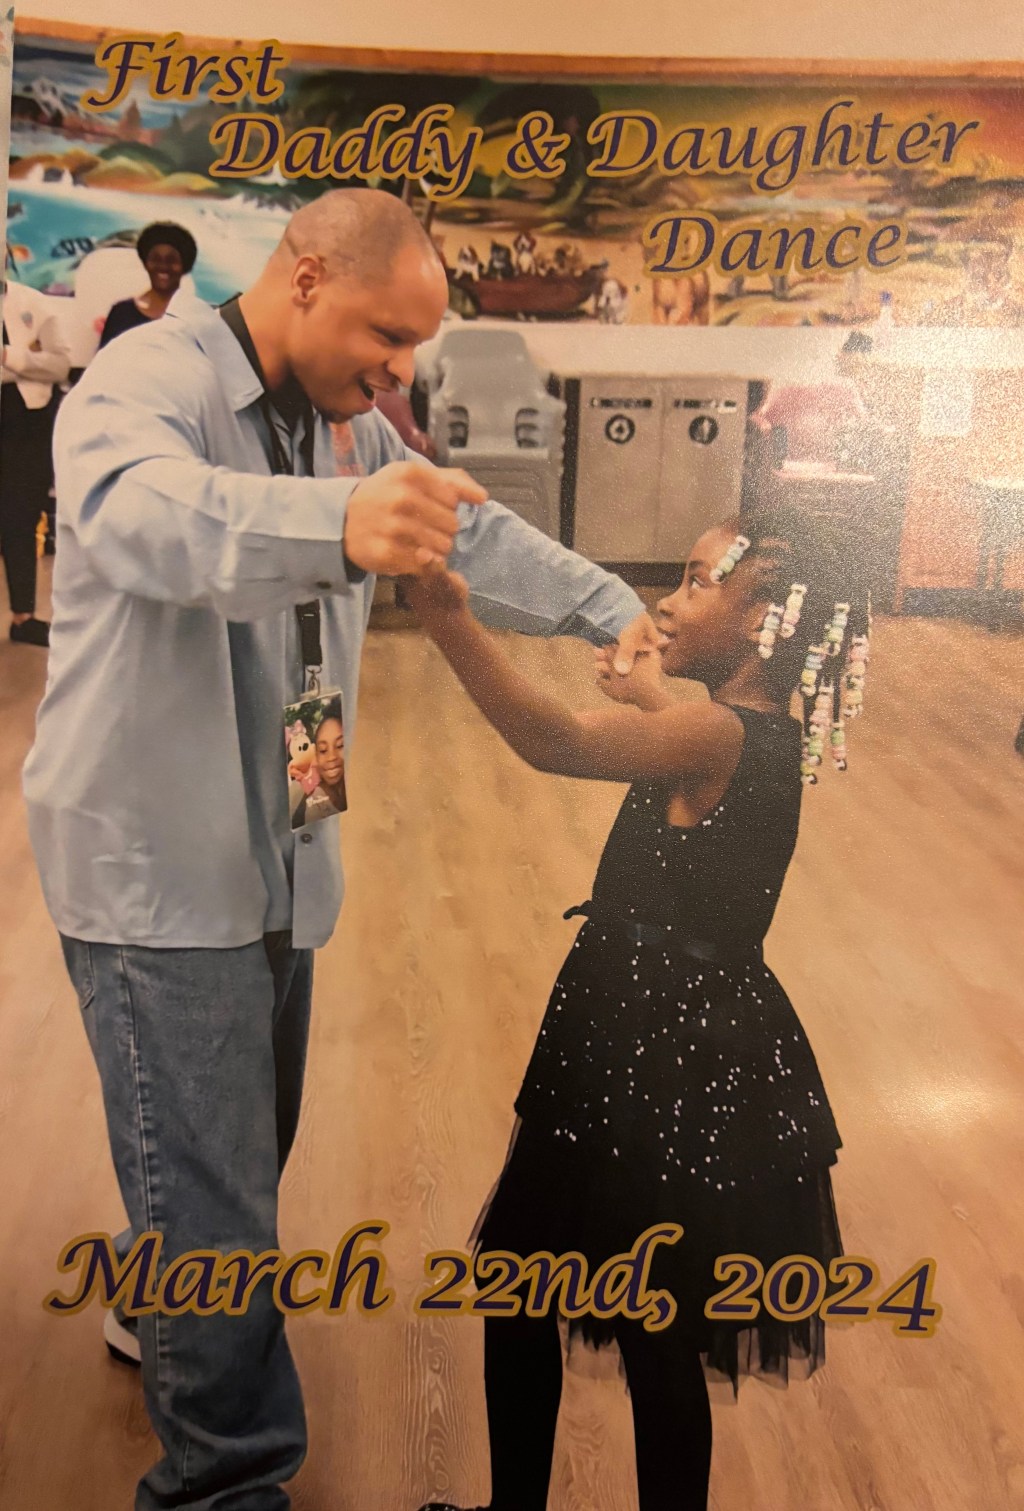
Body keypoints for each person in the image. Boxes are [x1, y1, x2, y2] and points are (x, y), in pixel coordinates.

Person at [23, 188, 660, 1511]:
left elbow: (460, 524)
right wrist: (339, 522)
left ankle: (162, 1308)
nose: (400, 371)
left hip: (282, 846)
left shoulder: (341, 424)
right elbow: (144, 513)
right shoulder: (146, 380)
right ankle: (225, 1479)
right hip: (159, 868)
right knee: (217, 1203)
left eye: (414, 346)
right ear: (305, 278)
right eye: (388, 335)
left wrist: (610, 605)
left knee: (236, 1150)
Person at [405, 506, 869, 1511]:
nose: (669, 598)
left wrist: (449, 620)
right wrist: (650, 685)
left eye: (699, 581)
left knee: (530, 1281)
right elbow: (687, 738)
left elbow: (555, 739)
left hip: (640, 1046)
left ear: (764, 622)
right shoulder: (759, 733)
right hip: (686, 1043)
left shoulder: (712, 735)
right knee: (656, 1323)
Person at [1, 272, 71, 646]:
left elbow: (59, 366)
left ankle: (24, 616)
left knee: (21, 517)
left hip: (27, 420)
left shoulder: (33, 303)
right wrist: (29, 361)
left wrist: (10, 357)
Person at [98, 221, 198, 347]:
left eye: (171, 260)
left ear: (185, 265)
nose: (163, 266)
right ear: (145, 263)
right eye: (156, 259)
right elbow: (106, 358)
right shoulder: (121, 314)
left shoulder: (196, 319)